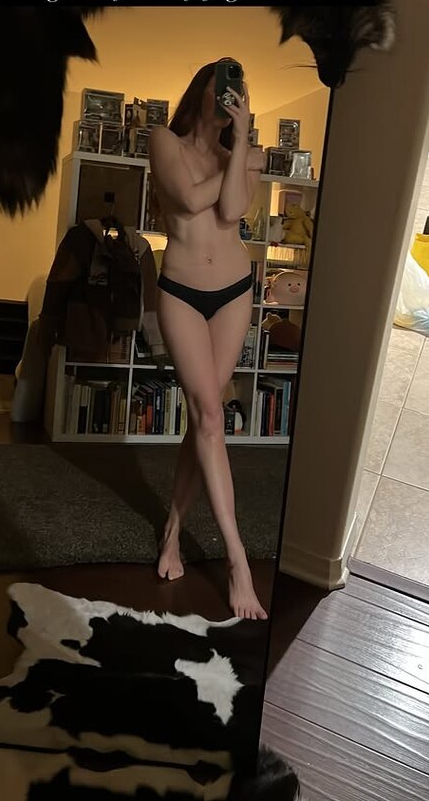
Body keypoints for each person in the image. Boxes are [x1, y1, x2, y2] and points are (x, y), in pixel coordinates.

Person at [148, 60, 268, 620]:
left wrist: (241, 145)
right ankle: (237, 561)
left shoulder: (237, 154)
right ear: (201, 91)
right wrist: (246, 159)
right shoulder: (163, 140)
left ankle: (173, 530)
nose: (228, 98)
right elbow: (191, 199)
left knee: (206, 419)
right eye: (221, 88)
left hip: (234, 294)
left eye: (237, 93)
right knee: (209, 416)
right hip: (181, 294)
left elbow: (233, 210)